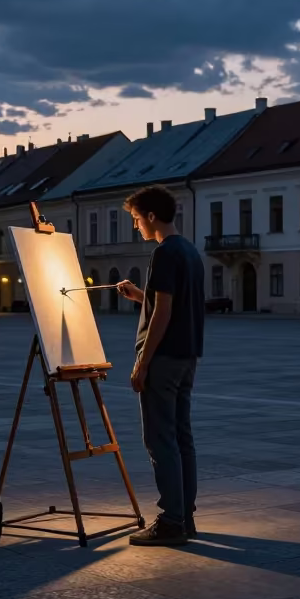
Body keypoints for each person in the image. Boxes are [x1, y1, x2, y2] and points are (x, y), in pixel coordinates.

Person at [116, 185, 205, 547]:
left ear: (152, 216)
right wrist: (141, 296)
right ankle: (185, 517)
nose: (136, 225)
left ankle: (170, 521)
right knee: (182, 438)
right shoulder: (190, 251)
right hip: (187, 356)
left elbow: (164, 313)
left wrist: (142, 362)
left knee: (160, 439)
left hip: (164, 359)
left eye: (137, 218)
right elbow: (173, 304)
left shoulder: (164, 253)